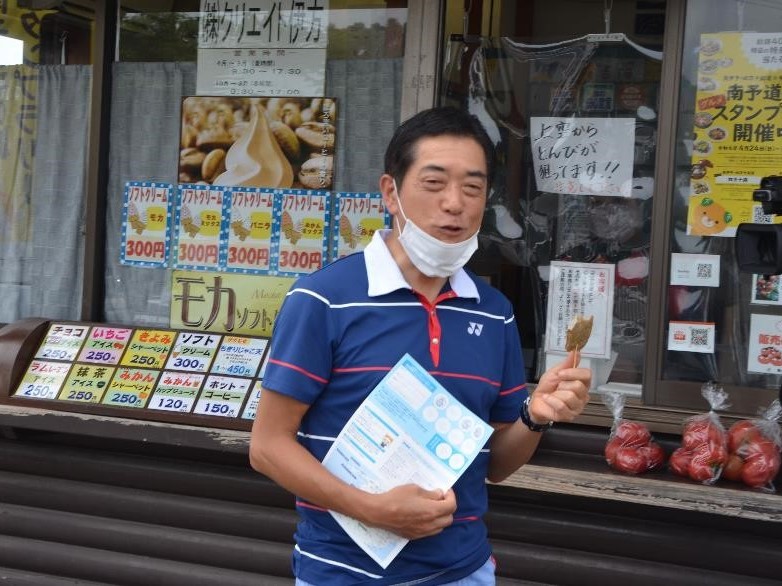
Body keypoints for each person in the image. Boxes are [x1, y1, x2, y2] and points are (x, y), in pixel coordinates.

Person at [249, 106, 592, 585]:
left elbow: (495, 467)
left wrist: (536, 414)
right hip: (342, 574)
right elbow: (267, 447)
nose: (455, 203)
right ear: (391, 192)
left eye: (472, 187)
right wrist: (371, 509)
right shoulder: (323, 298)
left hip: (463, 571)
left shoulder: (494, 312)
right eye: (434, 183)